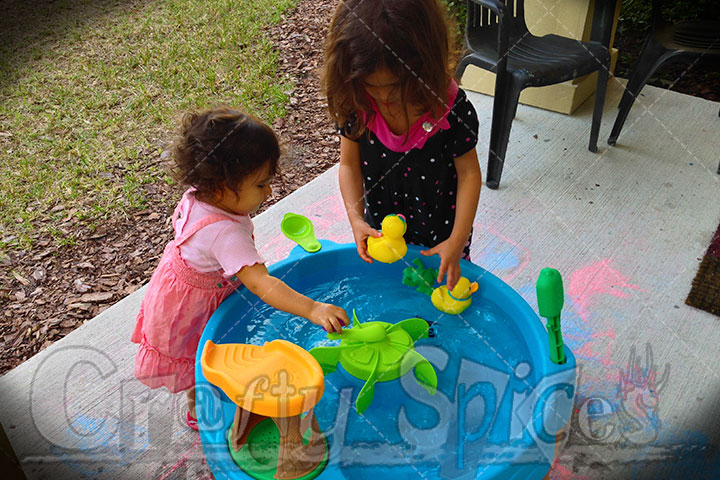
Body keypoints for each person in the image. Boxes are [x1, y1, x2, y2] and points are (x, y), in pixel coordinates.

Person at [131, 107, 349, 430]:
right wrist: (313, 308)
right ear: (221, 187)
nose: (270, 192)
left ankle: (201, 401)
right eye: (261, 185)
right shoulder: (225, 233)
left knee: (201, 356)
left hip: (175, 284)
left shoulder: (200, 194)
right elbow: (263, 284)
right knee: (197, 360)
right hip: (192, 308)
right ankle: (200, 409)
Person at [322, 0, 482, 293]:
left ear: (424, 67)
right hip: (385, 230)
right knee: (394, 290)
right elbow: (349, 165)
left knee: (444, 296)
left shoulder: (448, 108)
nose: (383, 96)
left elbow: (470, 174)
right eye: (372, 85)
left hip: (443, 233)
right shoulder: (356, 103)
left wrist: (457, 241)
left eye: (395, 85)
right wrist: (356, 219)